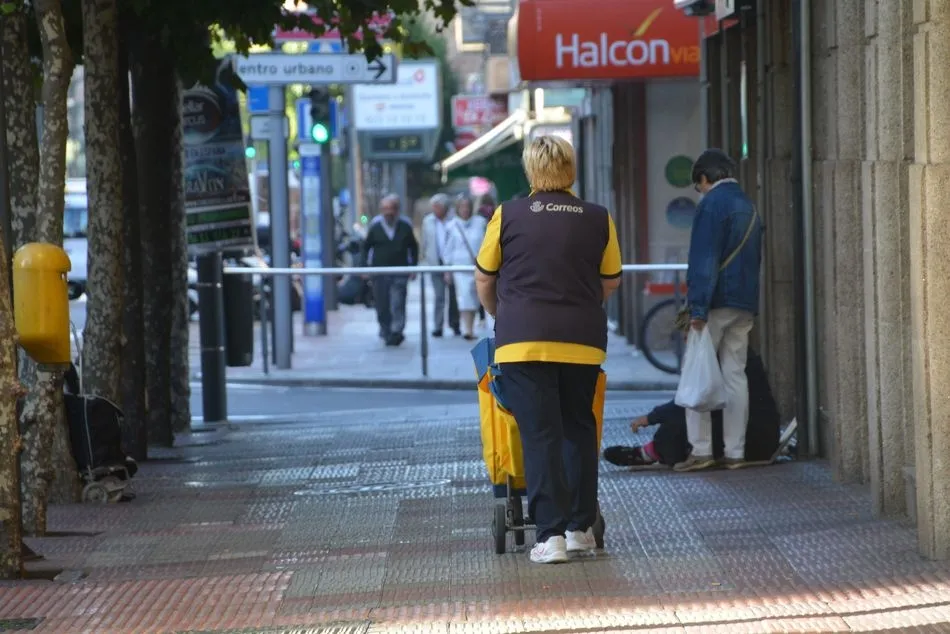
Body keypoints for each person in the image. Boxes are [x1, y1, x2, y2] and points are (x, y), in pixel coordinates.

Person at [475, 135, 622, 564]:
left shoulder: (508, 214)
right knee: (579, 429)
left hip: (522, 342)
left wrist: (501, 313)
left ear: (531, 170)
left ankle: (550, 536)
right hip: (582, 343)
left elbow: (485, 278)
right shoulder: (597, 217)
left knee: (540, 435)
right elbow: (610, 280)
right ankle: (580, 530)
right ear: (570, 168)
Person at [677, 149, 763, 472]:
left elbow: (704, 259)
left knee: (697, 370)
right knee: (734, 374)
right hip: (744, 303)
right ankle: (735, 452)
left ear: (704, 178)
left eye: (697, 185)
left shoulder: (711, 205)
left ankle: (701, 449)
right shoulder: (748, 205)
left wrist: (696, 307)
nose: (699, 191)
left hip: (714, 303)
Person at [603, 348, 780, 468]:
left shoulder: (714, 361)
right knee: (691, 415)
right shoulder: (739, 356)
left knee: (683, 420)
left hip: (752, 442)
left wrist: (652, 417)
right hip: (762, 441)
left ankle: (650, 453)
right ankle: (650, 452)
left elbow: (690, 400)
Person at [361, 194, 418, 347]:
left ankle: (396, 330)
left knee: (398, 302)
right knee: (382, 304)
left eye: (391, 208)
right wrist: (365, 268)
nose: (388, 212)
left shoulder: (405, 226)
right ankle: (385, 330)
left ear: (397, 210)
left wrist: (414, 267)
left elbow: (413, 247)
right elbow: (366, 248)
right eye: (385, 209)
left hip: (400, 271)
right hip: (380, 273)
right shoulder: (375, 226)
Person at [444, 194, 487, 340]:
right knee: (464, 297)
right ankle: (467, 329)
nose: (465, 210)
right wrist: (447, 269)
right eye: (462, 207)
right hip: (459, 266)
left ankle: (471, 327)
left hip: (477, 266)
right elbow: (447, 249)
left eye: (467, 206)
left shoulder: (480, 222)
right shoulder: (451, 225)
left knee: (474, 297)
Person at [420, 193, 460, 338]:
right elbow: (424, 242)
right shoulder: (428, 221)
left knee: (454, 296)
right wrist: (424, 258)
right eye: (434, 207)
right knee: (439, 296)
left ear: (445, 207)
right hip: (435, 263)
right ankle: (438, 326)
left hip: (452, 262)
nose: (435, 210)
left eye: (438, 207)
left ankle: (455, 324)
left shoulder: (454, 221)